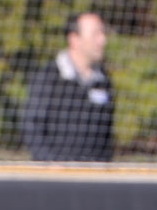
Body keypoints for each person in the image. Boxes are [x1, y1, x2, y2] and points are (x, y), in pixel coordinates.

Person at [17, 11, 113, 162]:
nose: (102, 40)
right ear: (74, 39)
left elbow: (107, 137)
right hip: (56, 179)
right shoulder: (48, 77)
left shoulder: (104, 81)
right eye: (95, 34)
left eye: (103, 33)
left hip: (94, 179)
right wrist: (50, 164)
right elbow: (32, 127)